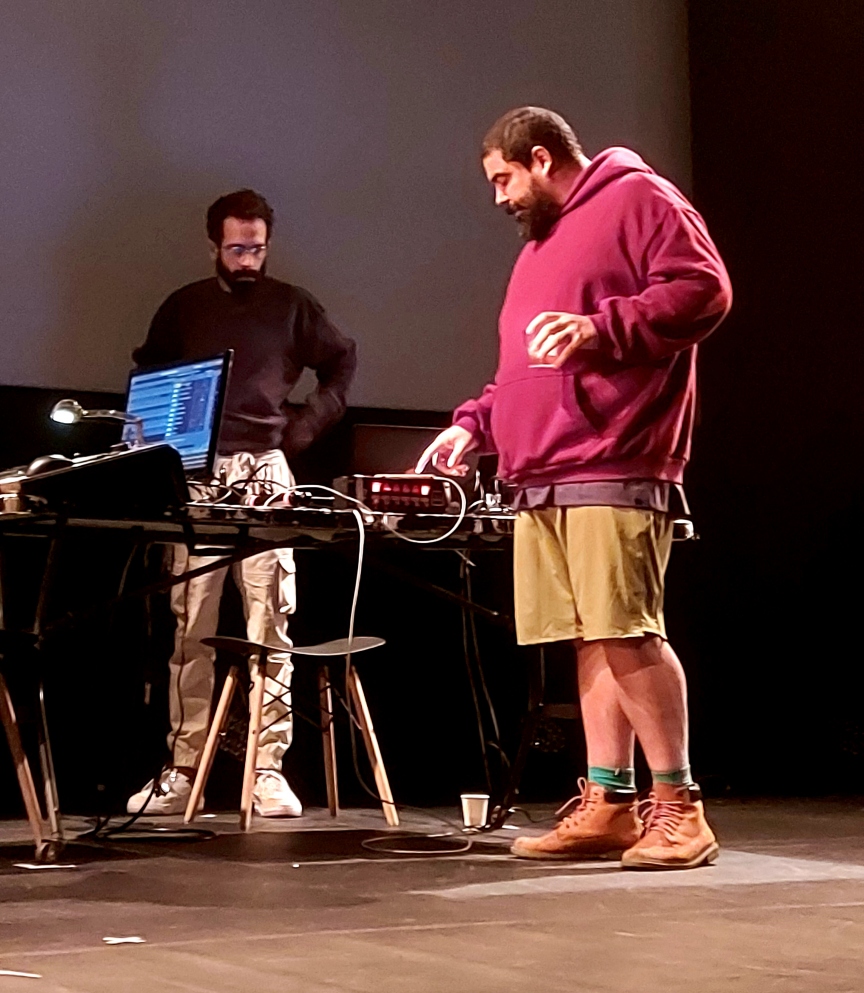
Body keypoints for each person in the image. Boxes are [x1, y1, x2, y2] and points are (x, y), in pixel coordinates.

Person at [417, 108, 731, 869]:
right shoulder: (542, 246)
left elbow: (704, 288)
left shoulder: (637, 197)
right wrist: (476, 424)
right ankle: (609, 802)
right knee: (590, 635)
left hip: (611, 455)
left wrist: (601, 327)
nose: (499, 198)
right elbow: (525, 366)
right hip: (544, 471)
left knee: (627, 629)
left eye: (503, 179)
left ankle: (679, 807)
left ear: (540, 157)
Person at [127, 189, 356, 817]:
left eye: (257, 249)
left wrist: (304, 428)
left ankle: (267, 768)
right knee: (192, 622)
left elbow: (342, 361)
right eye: (236, 249)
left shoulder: (293, 306)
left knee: (271, 620)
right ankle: (184, 769)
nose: (248, 260)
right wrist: (160, 446)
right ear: (214, 247)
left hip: (265, 470)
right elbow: (150, 379)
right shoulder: (185, 306)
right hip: (198, 473)